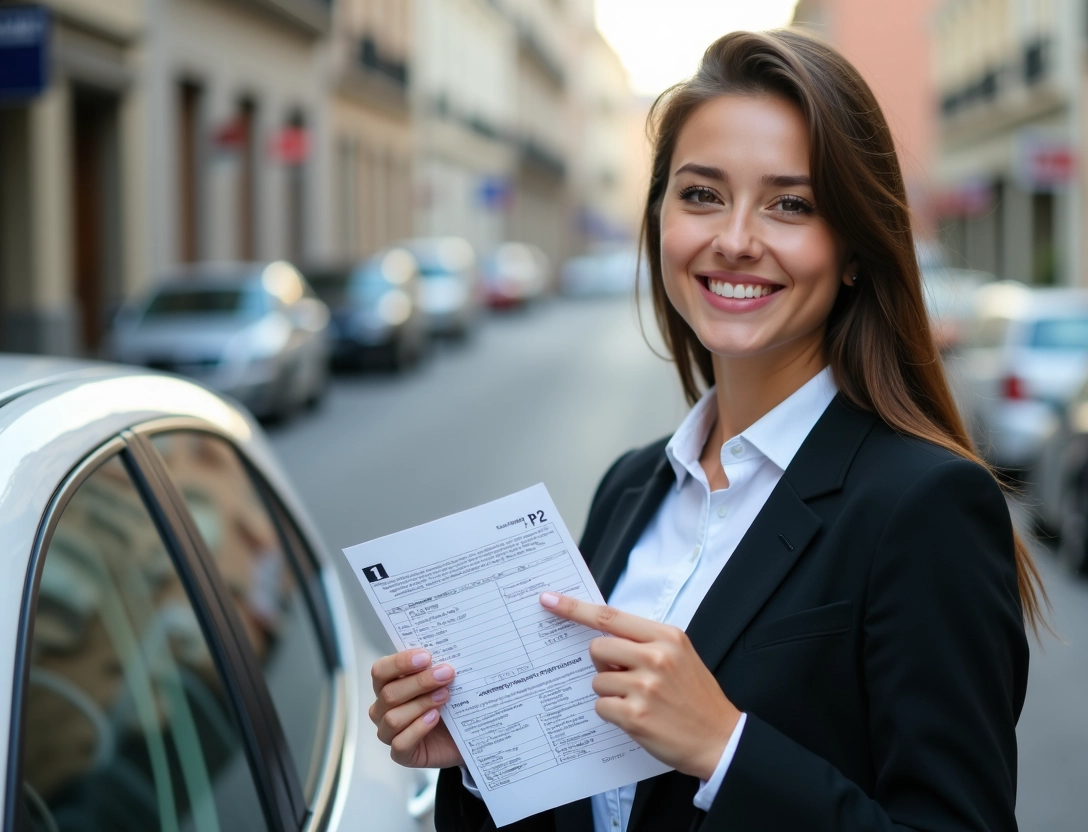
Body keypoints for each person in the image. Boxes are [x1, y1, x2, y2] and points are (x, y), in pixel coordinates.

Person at [367, 28, 1046, 831]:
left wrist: (726, 748)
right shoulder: (630, 486)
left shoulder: (926, 505)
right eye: (701, 194)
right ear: (659, 220)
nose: (734, 239)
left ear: (856, 247)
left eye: (790, 204)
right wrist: (488, 758)